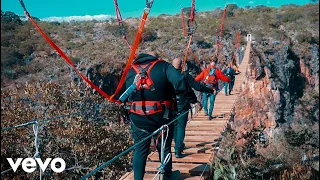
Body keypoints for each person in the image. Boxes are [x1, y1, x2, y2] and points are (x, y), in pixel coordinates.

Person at [117, 52, 186, 180]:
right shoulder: (163, 66)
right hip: (161, 116)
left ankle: (138, 178)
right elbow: (180, 80)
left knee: (139, 149)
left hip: (137, 118)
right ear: (155, 58)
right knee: (163, 146)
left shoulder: (131, 70)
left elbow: (122, 94)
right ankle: (167, 174)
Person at [171, 58, 215, 158]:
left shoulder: (167, 75)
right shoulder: (185, 75)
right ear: (181, 65)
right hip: (183, 103)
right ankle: (178, 150)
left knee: (175, 125)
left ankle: (178, 145)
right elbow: (198, 87)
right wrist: (210, 90)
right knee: (181, 126)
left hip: (171, 103)